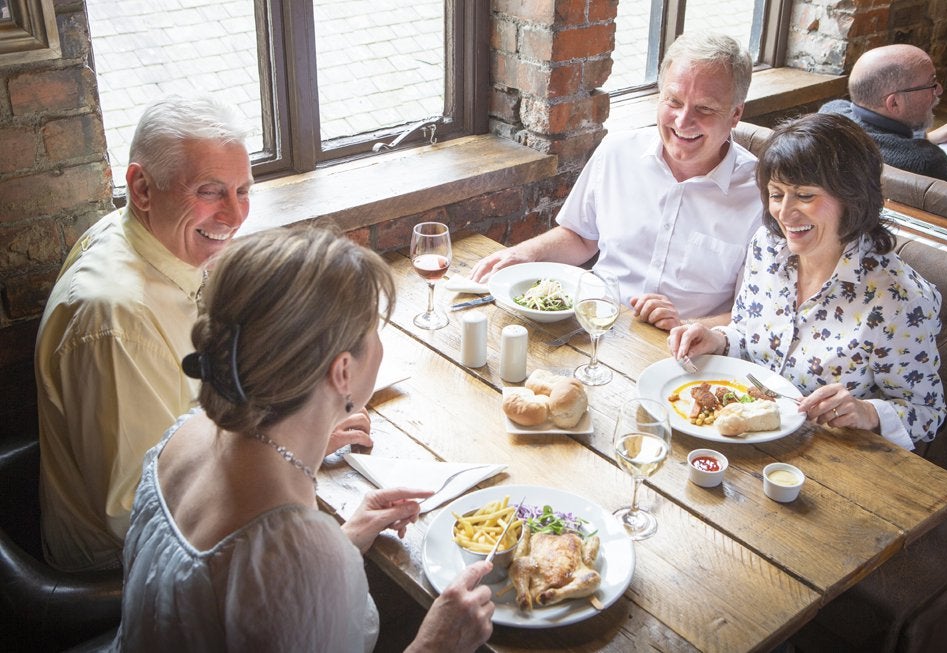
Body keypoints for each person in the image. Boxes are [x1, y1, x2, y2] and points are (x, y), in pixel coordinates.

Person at [111, 227, 494, 651]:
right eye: (375, 330)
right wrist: (436, 644)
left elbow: (236, 596)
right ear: (343, 371)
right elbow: (272, 567)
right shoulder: (297, 557)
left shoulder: (191, 430)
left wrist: (343, 540)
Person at [34, 97, 373, 573]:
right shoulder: (119, 319)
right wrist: (290, 452)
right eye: (211, 191)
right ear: (142, 187)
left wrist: (293, 428)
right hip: (131, 568)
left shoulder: (146, 237)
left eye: (242, 190)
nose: (235, 216)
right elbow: (136, 509)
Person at [670, 113, 946, 449]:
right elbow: (749, 337)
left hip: (831, 461)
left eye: (804, 196)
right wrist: (717, 340)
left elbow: (928, 413)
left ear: (852, 197)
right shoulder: (767, 247)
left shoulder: (900, 300)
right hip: (741, 439)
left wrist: (868, 412)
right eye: (776, 194)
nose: (785, 213)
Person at [470, 32, 764, 330]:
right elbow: (582, 237)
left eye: (704, 108)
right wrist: (525, 254)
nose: (683, 120)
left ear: (735, 113)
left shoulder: (763, 197)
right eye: (673, 101)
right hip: (595, 328)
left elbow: (755, 314)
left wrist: (686, 325)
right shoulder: (618, 151)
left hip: (685, 353)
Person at [820, 44, 947, 191]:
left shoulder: (830, 112)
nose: (939, 90)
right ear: (894, 103)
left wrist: (927, 138)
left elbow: (880, 144)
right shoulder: (924, 162)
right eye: (931, 84)